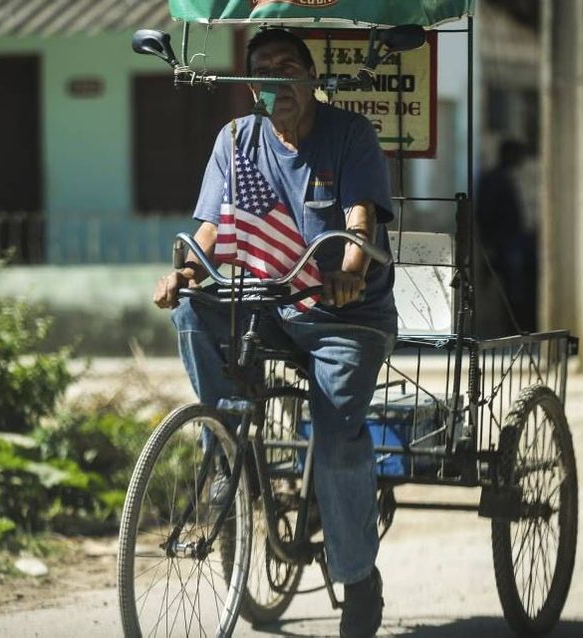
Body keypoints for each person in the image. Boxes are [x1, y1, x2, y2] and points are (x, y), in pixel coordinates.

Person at [152, 28, 396, 638]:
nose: (275, 80)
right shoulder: (235, 140)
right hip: (269, 304)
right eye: (261, 70)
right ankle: (225, 441)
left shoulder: (350, 135)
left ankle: (359, 579)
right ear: (250, 84)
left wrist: (347, 273)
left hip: (347, 317)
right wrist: (185, 271)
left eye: (287, 67)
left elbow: (359, 218)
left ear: (311, 77)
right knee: (192, 311)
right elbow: (212, 225)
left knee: (337, 436)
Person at [476, 138, 536, 332]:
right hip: (504, 240)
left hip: (515, 239)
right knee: (512, 287)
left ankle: (518, 325)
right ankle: (513, 327)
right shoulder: (495, 179)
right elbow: (485, 214)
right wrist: (490, 243)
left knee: (519, 284)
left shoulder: (510, 177)